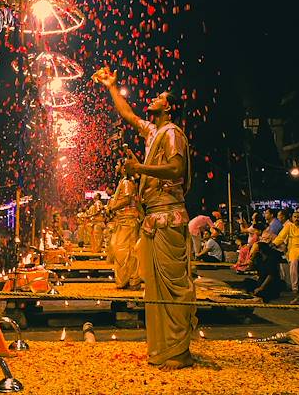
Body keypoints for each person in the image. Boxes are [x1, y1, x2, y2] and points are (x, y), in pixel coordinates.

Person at [94, 66, 195, 370]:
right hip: (152, 218)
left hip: (168, 217)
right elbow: (128, 115)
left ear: (169, 107)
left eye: (159, 97)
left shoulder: (173, 134)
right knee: (154, 288)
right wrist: (112, 87)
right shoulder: (153, 132)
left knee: (172, 288)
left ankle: (178, 351)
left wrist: (139, 170)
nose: (152, 98)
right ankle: (163, 349)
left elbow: (176, 170)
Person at [106, 161, 141, 289]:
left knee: (123, 250)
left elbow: (127, 199)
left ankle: (130, 279)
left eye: (117, 165)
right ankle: (129, 279)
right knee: (123, 250)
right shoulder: (124, 182)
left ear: (124, 168)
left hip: (128, 221)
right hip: (124, 221)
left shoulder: (126, 183)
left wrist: (112, 208)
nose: (115, 166)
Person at [272, 211, 299, 292]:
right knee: (293, 263)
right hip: (292, 249)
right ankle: (294, 287)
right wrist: (274, 244)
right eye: (295, 217)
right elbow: (281, 237)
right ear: (292, 218)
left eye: (298, 217)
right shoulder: (289, 226)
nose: (296, 219)